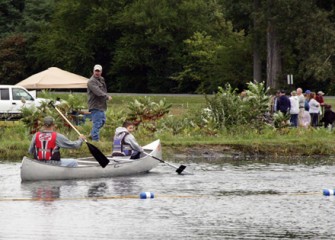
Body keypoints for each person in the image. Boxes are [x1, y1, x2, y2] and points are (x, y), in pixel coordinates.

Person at [87, 64, 112, 141]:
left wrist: (105, 96)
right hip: (95, 105)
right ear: (93, 71)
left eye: (99, 71)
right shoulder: (91, 81)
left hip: (101, 105)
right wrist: (107, 96)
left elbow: (103, 90)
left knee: (102, 121)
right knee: (97, 123)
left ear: (101, 72)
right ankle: (95, 141)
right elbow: (98, 92)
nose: (97, 72)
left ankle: (92, 135)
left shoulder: (101, 79)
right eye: (96, 71)